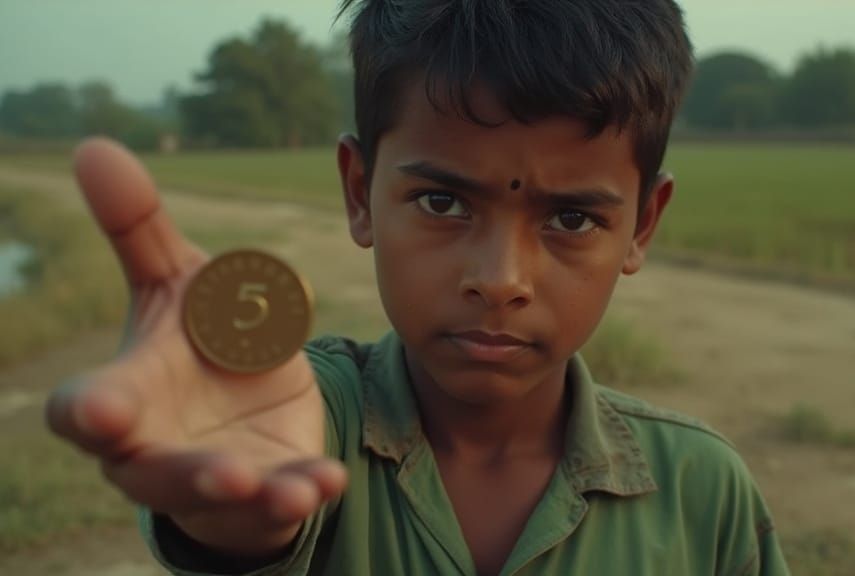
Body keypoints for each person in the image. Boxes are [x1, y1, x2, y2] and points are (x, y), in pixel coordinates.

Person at [45, 1, 790, 574]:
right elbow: (251, 488)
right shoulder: (311, 424)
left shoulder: (704, 492)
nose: (499, 280)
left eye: (571, 217)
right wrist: (236, 521)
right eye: (443, 203)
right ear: (360, 191)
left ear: (643, 226)